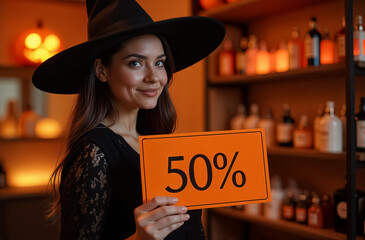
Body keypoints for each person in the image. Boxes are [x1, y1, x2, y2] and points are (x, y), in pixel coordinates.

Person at [32, 0, 225, 239]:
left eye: (159, 62)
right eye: (136, 63)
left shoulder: (157, 141)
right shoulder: (93, 153)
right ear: (101, 70)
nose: (154, 77)